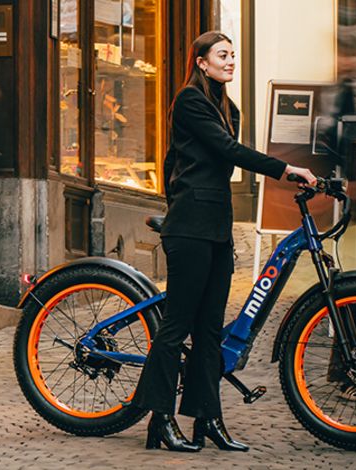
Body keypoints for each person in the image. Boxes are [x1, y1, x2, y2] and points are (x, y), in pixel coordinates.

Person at [132, 31, 317, 453]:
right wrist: (285, 169)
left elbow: (177, 159)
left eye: (234, 55)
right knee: (176, 328)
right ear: (201, 61)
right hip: (191, 227)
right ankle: (160, 420)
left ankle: (207, 420)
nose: (231, 61)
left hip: (216, 225)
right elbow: (226, 150)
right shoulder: (190, 100)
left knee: (209, 332)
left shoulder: (227, 106)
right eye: (222, 55)